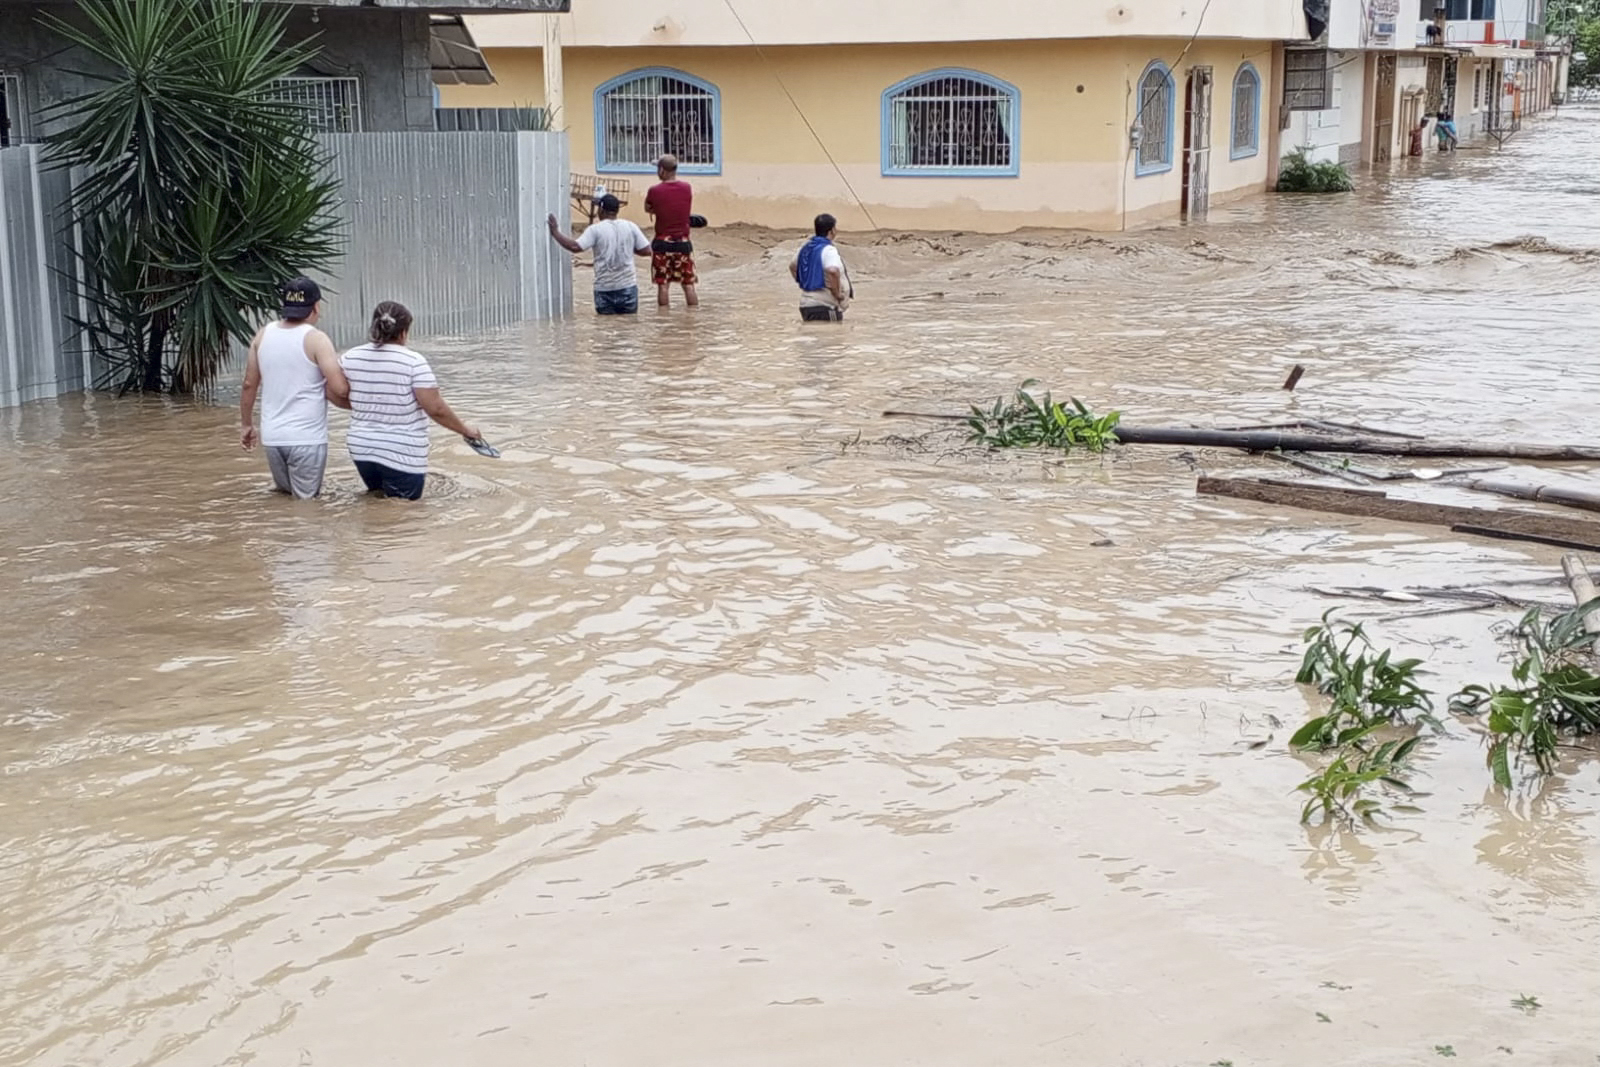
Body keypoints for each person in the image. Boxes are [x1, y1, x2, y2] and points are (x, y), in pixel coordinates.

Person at [340, 301, 480, 501]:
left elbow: (332, 390)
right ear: (404, 332)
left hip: (362, 448)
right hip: (401, 452)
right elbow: (436, 408)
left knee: (377, 504)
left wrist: (363, 404)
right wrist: (466, 430)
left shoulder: (350, 357)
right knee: (405, 515)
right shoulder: (414, 362)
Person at [239, 276, 349, 499]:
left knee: (284, 500)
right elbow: (340, 389)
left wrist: (246, 425)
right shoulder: (316, 339)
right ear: (316, 307)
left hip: (273, 438)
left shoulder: (263, 334)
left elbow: (249, 384)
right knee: (306, 506)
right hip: (306, 439)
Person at [546, 194, 651, 314]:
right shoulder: (631, 226)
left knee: (605, 328)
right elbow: (647, 250)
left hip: (604, 289)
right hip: (628, 288)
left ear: (601, 209)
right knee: (628, 327)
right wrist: (628, 248)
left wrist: (555, 232)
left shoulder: (595, 229)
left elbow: (575, 247)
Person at [644, 154, 698, 308]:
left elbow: (647, 208)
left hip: (662, 244)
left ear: (662, 170)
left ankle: (663, 322)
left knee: (663, 285)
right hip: (683, 243)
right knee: (688, 284)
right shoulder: (687, 188)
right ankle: (693, 319)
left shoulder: (654, 190)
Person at [789, 213, 853, 322]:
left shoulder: (805, 248)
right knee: (832, 337)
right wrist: (837, 294)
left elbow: (792, 266)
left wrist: (804, 282)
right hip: (825, 307)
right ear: (832, 231)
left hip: (806, 306)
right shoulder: (828, 250)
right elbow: (832, 271)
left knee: (815, 336)